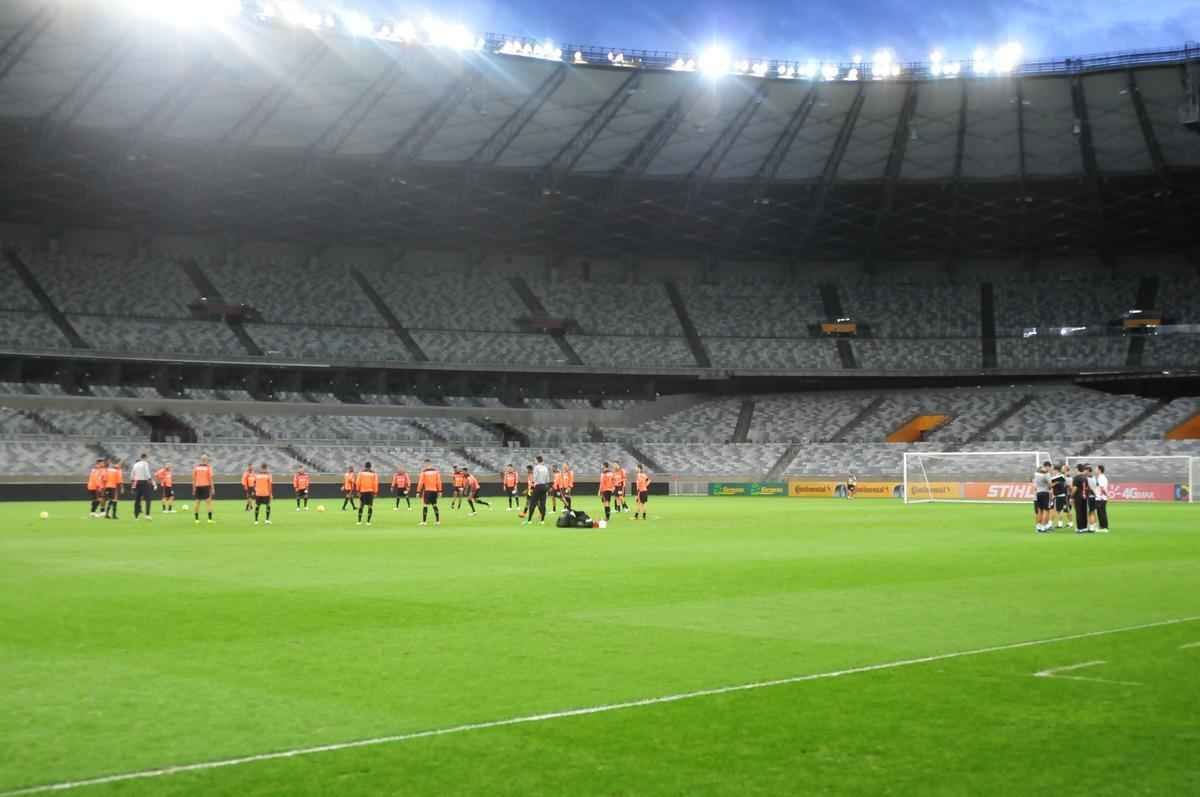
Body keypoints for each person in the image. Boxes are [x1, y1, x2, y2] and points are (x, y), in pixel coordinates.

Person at [525, 456, 550, 525]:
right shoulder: (545, 468)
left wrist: (531, 488)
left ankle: (529, 520)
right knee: (543, 504)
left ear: (537, 460)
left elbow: (534, 478)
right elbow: (547, 479)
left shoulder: (536, 467)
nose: (534, 461)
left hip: (538, 486)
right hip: (544, 486)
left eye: (535, 460)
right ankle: (542, 521)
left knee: (533, 503)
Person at [130, 452, 155, 521]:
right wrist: (150, 480)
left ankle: (136, 516)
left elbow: (132, 474)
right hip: (144, 482)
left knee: (137, 499)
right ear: (146, 457)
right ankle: (147, 515)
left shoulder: (135, 464)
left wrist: (133, 482)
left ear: (140, 457)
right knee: (148, 499)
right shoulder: (145, 463)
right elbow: (147, 472)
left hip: (137, 482)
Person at [416, 461, 443, 526]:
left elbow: (421, 482)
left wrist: (418, 491)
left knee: (425, 505)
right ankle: (437, 521)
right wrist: (440, 491)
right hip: (434, 491)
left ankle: (424, 522)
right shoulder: (436, 472)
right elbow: (439, 481)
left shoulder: (424, 472)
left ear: (425, 464)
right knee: (434, 505)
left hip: (427, 491)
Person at [193, 455, 216, 524]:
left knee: (197, 503)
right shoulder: (208, 468)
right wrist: (213, 488)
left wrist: (193, 488)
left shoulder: (196, 467)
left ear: (201, 459)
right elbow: (211, 479)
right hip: (206, 486)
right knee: (208, 503)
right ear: (206, 460)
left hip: (198, 486)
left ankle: (196, 519)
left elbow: (194, 479)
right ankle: (209, 519)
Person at [1071, 463, 1092, 534]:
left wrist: (1071, 496)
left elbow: (1075, 488)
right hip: (1084, 496)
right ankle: (1085, 527)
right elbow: (1087, 487)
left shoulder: (1076, 478)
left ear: (1077, 469)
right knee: (1084, 512)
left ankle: (1080, 528)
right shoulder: (1085, 477)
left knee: (1079, 512)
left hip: (1078, 497)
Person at [356, 461, 379, 526]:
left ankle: (359, 521)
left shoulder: (361, 473)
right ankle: (368, 522)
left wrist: (357, 491)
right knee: (370, 506)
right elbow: (375, 483)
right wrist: (375, 492)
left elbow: (358, 482)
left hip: (362, 492)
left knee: (361, 506)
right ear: (370, 467)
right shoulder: (374, 474)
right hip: (370, 492)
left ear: (365, 466)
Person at [1033, 460, 1053, 533]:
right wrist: (1055, 483)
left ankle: (1038, 526)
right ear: (1047, 466)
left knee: (1039, 511)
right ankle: (1043, 527)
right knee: (1046, 511)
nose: (1050, 469)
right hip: (1045, 493)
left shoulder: (1036, 473)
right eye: (1049, 467)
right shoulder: (1046, 474)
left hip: (1038, 493)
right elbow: (1050, 485)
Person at [1050, 463, 1070, 529]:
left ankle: (1050, 524)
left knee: (1054, 510)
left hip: (1058, 496)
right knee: (1060, 510)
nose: (1052, 471)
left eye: (1053, 469)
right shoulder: (1062, 476)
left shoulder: (1057, 477)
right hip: (1062, 495)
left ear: (1056, 470)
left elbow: (1052, 485)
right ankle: (1060, 524)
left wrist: (1052, 484)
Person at [1095, 464, 1110, 533]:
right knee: (1101, 512)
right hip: (1101, 498)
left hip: (1101, 498)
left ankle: (1104, 527)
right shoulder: (1101, 477)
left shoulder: (1101, 478)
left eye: (1096, 469)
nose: (1095, 470)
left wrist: (1106, 495)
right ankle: (1102, 526)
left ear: (1099, 470)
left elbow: (1102, 488)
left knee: (1101, 513)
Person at [1086, 465, 1100, 532]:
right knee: (1093, 512)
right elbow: (1097, 486)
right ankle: (1095, 525)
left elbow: (1088, 488)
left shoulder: (1087, 479)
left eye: (1086, 470)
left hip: (1089, 497)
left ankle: (1091, 527)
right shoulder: (1094, 478)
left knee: (1090, 512)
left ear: (1088, 471)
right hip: (1094, 497)